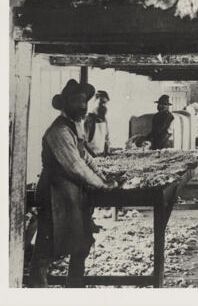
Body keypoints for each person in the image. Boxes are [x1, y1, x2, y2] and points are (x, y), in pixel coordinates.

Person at [29, 79, 117, 288]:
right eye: (76, 101)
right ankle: (36, 290)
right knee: (46, 249)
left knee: (81, 244)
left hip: (73, 194)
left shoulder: (75, 127)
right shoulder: (58, 131)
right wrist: (102, 186)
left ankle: (75, 288)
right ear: (66, 103)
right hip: (55, 194)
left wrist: (104, 176)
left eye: (84, 101)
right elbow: (74, 166)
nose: (82, 105)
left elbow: (85, 157)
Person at [84, 90, 111, 157]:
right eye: (101, 103)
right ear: (95, 102)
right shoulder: (89, 120)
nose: (104, 106)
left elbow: (106, 139)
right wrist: (94, 157)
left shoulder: (105, 120)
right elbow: (84, 144)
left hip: (101, 157)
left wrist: (107, 152)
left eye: (105, 103)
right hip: (90, 158)